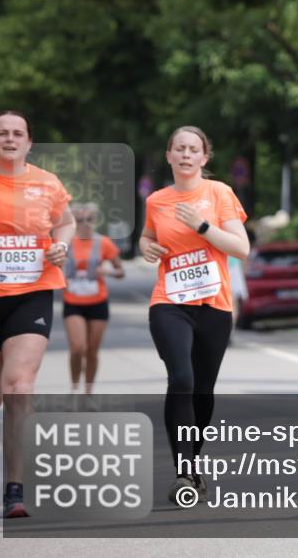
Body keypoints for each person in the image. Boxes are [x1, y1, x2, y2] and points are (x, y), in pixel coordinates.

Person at [138, 126, 249, 505]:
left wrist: (202, 226)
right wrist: (147, 247)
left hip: (214, 306)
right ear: (169, 156)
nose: (186, 155)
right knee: (181, 378)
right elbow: (148, 235)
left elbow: (241, 247)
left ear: (204, 158)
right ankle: (184, 472)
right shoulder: (156, 200)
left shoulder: (220, 193)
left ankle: (193, 463)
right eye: (179, 149)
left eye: (193, 149)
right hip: (169, 301)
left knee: (202, 391)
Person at [0, 111, 75, 518]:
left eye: (17, 133)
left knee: (19, 386)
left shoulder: (47, 183)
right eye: (1, 133)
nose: (9, 138)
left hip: (33, 292)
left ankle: (14, 490)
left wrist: (62, 245)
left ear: (29, 142)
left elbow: (67, 222)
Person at [62, 202, 124, 394]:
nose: (85, 224)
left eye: (89, 219)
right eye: (80, 220)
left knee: (92, 351)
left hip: (98, 302)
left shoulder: (103, 242)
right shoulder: (66, 242)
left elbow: (120, 271)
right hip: (73, 301)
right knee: (78, 347)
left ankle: (88, 391)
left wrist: (108, 271)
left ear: (95, 220)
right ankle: (74, 387)